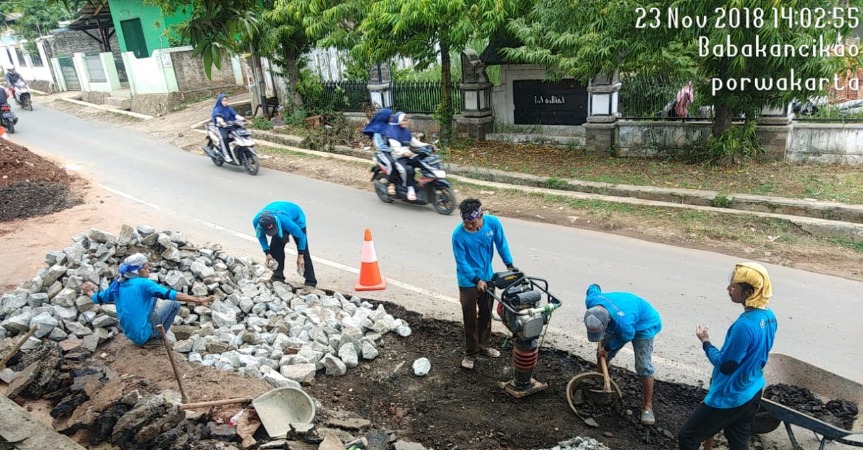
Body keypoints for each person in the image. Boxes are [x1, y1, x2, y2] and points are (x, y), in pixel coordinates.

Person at [677, 262, 778, 450]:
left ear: (749, 292)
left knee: (688, 437)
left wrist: (706, 343)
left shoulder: (744, 326)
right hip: (753, 390)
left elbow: (726, 365)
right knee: (738, 440)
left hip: (730, 396)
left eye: (733, 286)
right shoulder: (769, 317)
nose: (728, 289)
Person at [80, 253, 212, 347]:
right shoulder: (144, 283)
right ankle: (158, 336)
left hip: (130, 333)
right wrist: (198, 300)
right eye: (146, 268)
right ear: (138, 271)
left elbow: (98, 298)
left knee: (152, 297)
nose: (148, 270)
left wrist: (89, 291)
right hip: (143, 336)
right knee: (173, 304)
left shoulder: (118, 283)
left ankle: (149, 329)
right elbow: (171, 294)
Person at [451, 198, 517, 370]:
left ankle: (483, 345)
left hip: (488, 276)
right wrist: (475, 281)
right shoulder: (458, 235)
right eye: (467, 224)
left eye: (473, 223)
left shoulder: (493, 224)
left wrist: (510, 265)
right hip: (467, 281)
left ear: (481, 215)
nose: (471, 227)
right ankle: (471, 353)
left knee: (486, 314)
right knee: (470, 318)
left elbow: (502, 244)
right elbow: (461, 262)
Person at [583, 284, 662, 425]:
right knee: (600, 355)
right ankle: (603, 385)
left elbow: (627, 335)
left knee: (643, 365)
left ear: (607, 322)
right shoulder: (592, 300)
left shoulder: (623, 324)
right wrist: (604, 351)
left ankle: (648, 406)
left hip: (644, 324)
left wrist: (607, 348)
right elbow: (593, 286)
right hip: (624, 314)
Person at [253, 201, 317, 288]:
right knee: (274, 249)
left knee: (304, 251)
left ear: (275, 223)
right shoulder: (257, 221)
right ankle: (278, 277)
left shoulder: (285, 221)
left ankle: (311, 282)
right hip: (280, 216)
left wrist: (300, 256)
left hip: (296, 218)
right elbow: (261, 237)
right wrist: (267, 253)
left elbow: (302, 236)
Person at [384, 111, 433, 201]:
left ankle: (421, 183)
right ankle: (410, 189)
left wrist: (427, 145)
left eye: (406, 120)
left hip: (408, 155)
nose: (405, 122)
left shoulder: (406, 131)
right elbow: (396, 147)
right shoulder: (393, 133)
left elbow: (414, 142)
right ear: (398, 121)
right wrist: (403, 152)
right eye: (403, 120)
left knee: (421, 161)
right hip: (398, 157)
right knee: (408, 169)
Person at [363, 108, 402, 196]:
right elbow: (380, 145)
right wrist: (391, 148)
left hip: (392, 150)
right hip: (383, 152)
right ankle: (391, 184)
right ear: (385, 117)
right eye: (389, 116)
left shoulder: (389, 126)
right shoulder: (378, 130)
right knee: (392, 163)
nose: (390, 118)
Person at [211, 93, 239, 162]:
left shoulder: (229, 108)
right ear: (220, 101)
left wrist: (244, 119)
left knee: (238, 134)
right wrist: (221, 122)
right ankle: (225, 154)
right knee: (224, 138)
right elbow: (218, 117)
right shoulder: (217, 108)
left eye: (226, 100)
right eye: (223, 100)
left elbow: (235, 115)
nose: (225, 102)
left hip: (229, 126)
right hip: (221, 127)